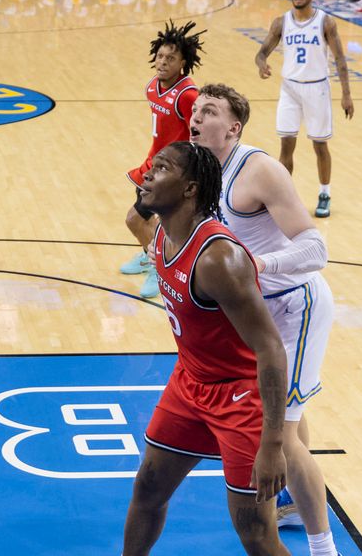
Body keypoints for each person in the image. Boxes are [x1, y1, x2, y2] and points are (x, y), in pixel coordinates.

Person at [189, 84, 339, 555]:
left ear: (233, 127)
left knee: (282, 432)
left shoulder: (258, 170)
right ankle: (297, 502)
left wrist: (258, 266)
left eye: (208, 111)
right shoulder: (200, 169)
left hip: (296, 306)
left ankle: (323, 549)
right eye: (194, 109)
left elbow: (317, 250)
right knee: (289, 413)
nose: (195, 117)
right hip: (260, 312)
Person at [122, 141, 289, 556]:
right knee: (147, 492)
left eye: (160, 169)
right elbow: (133, 218)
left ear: (190, 189)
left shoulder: (220, 260)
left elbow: (270, 348)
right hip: (189, 383)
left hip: (240, 395)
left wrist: (272, 444)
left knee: (255, 534)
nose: (146, 174)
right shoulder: (161, 232)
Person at [254, 0, 354, 218]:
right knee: (286, 144)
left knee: (320, 145)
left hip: (317, 88)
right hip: (290, 88)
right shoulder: (281, 22)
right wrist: (261, 63)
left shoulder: (325, 22)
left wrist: (346, 94)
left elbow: (340, 59)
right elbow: (261, 52)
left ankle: (325, 193)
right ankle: (281, 195)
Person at [121, 21, 205, 298]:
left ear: (183, 62)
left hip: (176, 171)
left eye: (171, 58)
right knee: (148, 221)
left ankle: (160, 268)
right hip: (154, 164)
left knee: (135, 219)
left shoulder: (188, 95)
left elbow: (200, 134)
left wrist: (191, 173)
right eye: (160, 56)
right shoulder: (152, 87)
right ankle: (151, 256)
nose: (163, 62)